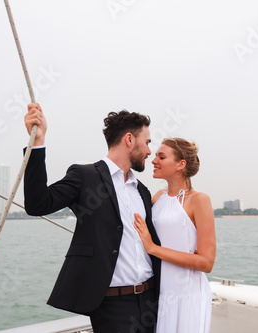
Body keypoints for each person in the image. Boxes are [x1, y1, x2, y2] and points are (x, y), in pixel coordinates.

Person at [23, 103, 161, 333]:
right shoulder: (85, 176)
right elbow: (38, 204)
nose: (149, 151)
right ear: (129, 139)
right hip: (112, 307)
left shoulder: (142, 191)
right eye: (147, 142)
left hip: (151, 301)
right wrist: (37, 142)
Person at [134, 138, 216, 333]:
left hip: (189, 296)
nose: (154, 161)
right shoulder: (156, 198)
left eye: (161, 157)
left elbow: (206, 263)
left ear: (181, 164)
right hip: (161, 294)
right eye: (155, 156)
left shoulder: (199, 200)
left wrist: (153, 248)